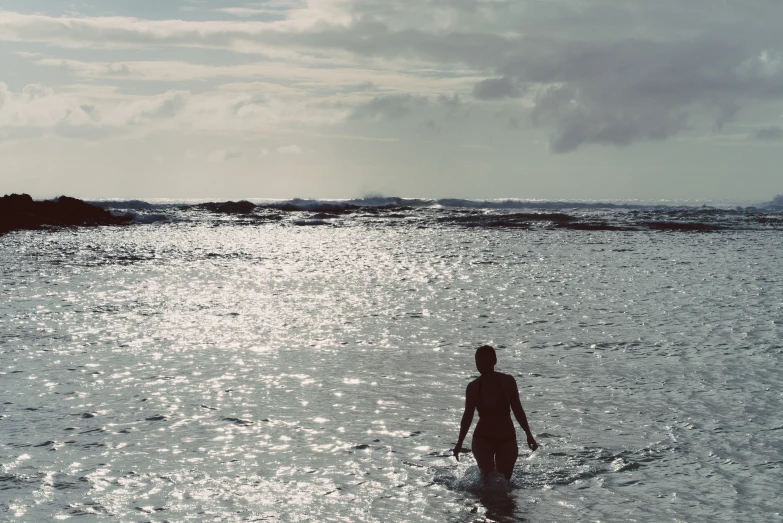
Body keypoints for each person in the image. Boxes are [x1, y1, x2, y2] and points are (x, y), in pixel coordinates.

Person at [453, 345, 538, 481]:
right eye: (478, 361)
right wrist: (459, 443)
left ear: (494, 361)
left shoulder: (507, 382)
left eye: (484, 361)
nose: (480, 365)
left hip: (507, 437)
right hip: (482, 438)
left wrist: (529, 435)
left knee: (504, 482)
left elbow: (518, 409)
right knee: (487, 480)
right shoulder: (473, 387)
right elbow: (467, 417)